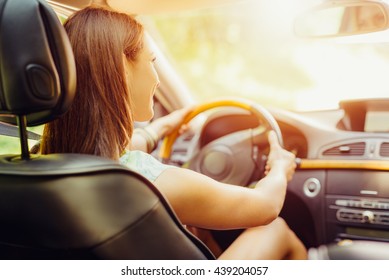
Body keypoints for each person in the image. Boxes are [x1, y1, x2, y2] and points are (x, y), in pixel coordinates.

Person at [41, 4, 307, 260]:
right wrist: (279, 169)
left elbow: (130, 145)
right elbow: (265, 206)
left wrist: (165, 126)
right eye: (152, 61)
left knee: (195, 228)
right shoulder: (152, 183)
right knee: (276, 230)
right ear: (122, 69)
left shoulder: (43, 166)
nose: (157, 78)